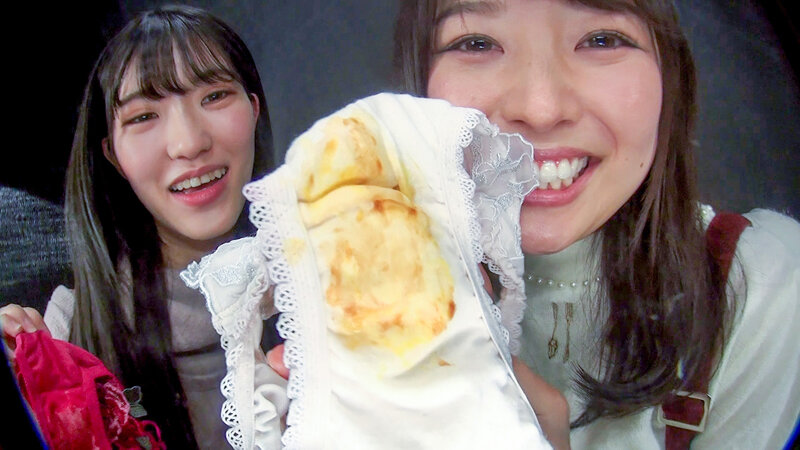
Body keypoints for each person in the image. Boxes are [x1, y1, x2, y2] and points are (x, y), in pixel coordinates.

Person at [395, 0, 800, 448]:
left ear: (670, 74)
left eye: (601, 40)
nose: (541, 109)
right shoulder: (347, 289)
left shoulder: (763, 290)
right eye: (476, 43)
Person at [0, 5, 273, 448]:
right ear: (112, 155)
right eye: (143, 117)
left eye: (215, 96)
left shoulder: (334, 267)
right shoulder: (72, 330)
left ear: (254, 109)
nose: (188, 143)